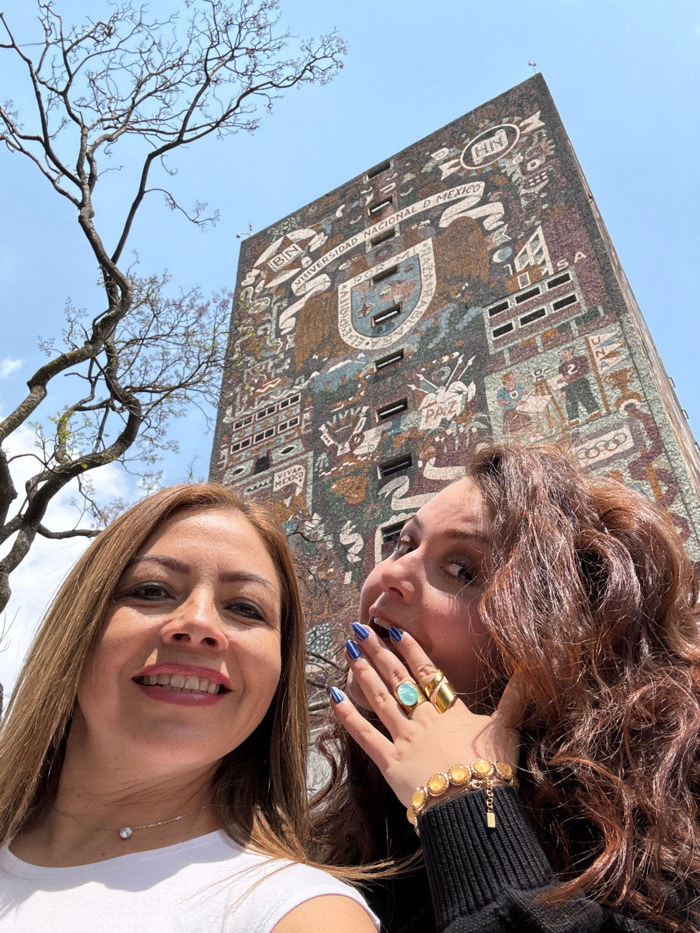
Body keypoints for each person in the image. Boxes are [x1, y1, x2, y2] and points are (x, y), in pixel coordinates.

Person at [314, 442, 700, 932]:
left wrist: (465, 803)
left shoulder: (668, 841)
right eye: (405, 545)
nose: (390, 572)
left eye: (462, 571)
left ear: (559, 639)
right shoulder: (345, 839)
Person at [0, 484, 377, 932]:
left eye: (245, 608)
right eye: (152, 590)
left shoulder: (305, 915)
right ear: (78, 626)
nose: (199, 623)